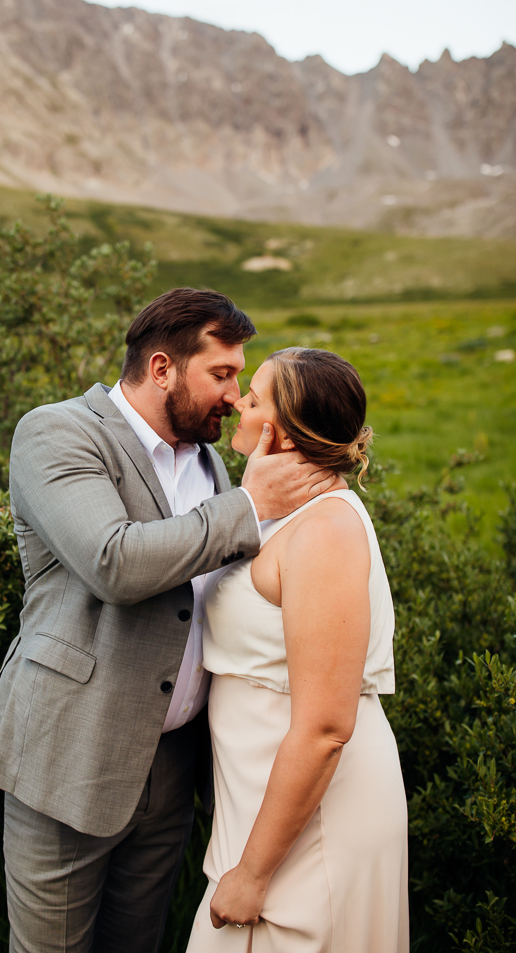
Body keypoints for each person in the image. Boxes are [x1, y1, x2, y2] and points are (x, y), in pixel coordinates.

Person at [0, 288, 338, 953]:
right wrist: (249, 508)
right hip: (70, 756)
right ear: (163, 368)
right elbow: (114, 562)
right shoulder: (57, 432)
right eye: (222, 375)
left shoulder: (209, 462)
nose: (234, 397)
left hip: (171, 767)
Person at [189, 347, 408, 949]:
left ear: (277, 433)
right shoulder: (279, 511)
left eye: (253, 398)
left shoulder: (326, 530)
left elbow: (325, 727)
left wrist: (255, 873)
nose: (236, 400)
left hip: (315, 824)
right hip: (263, 807)